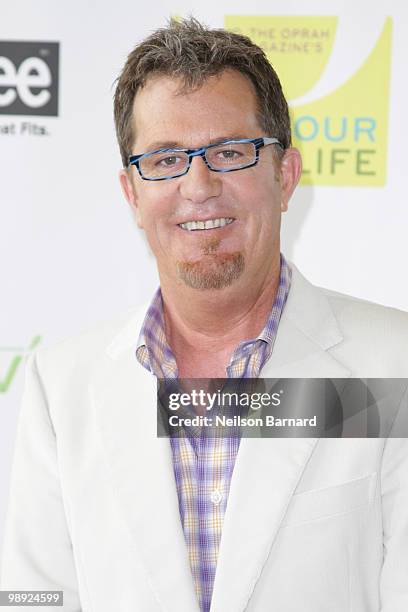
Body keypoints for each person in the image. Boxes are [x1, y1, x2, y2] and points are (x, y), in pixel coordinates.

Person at [1, 18, 408, 612]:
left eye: (230, 152)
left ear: (285, 175)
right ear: (131, 195)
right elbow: (32, 599)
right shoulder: (61, 387)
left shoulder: (392, 363)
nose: (198, 186)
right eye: (165, 159)